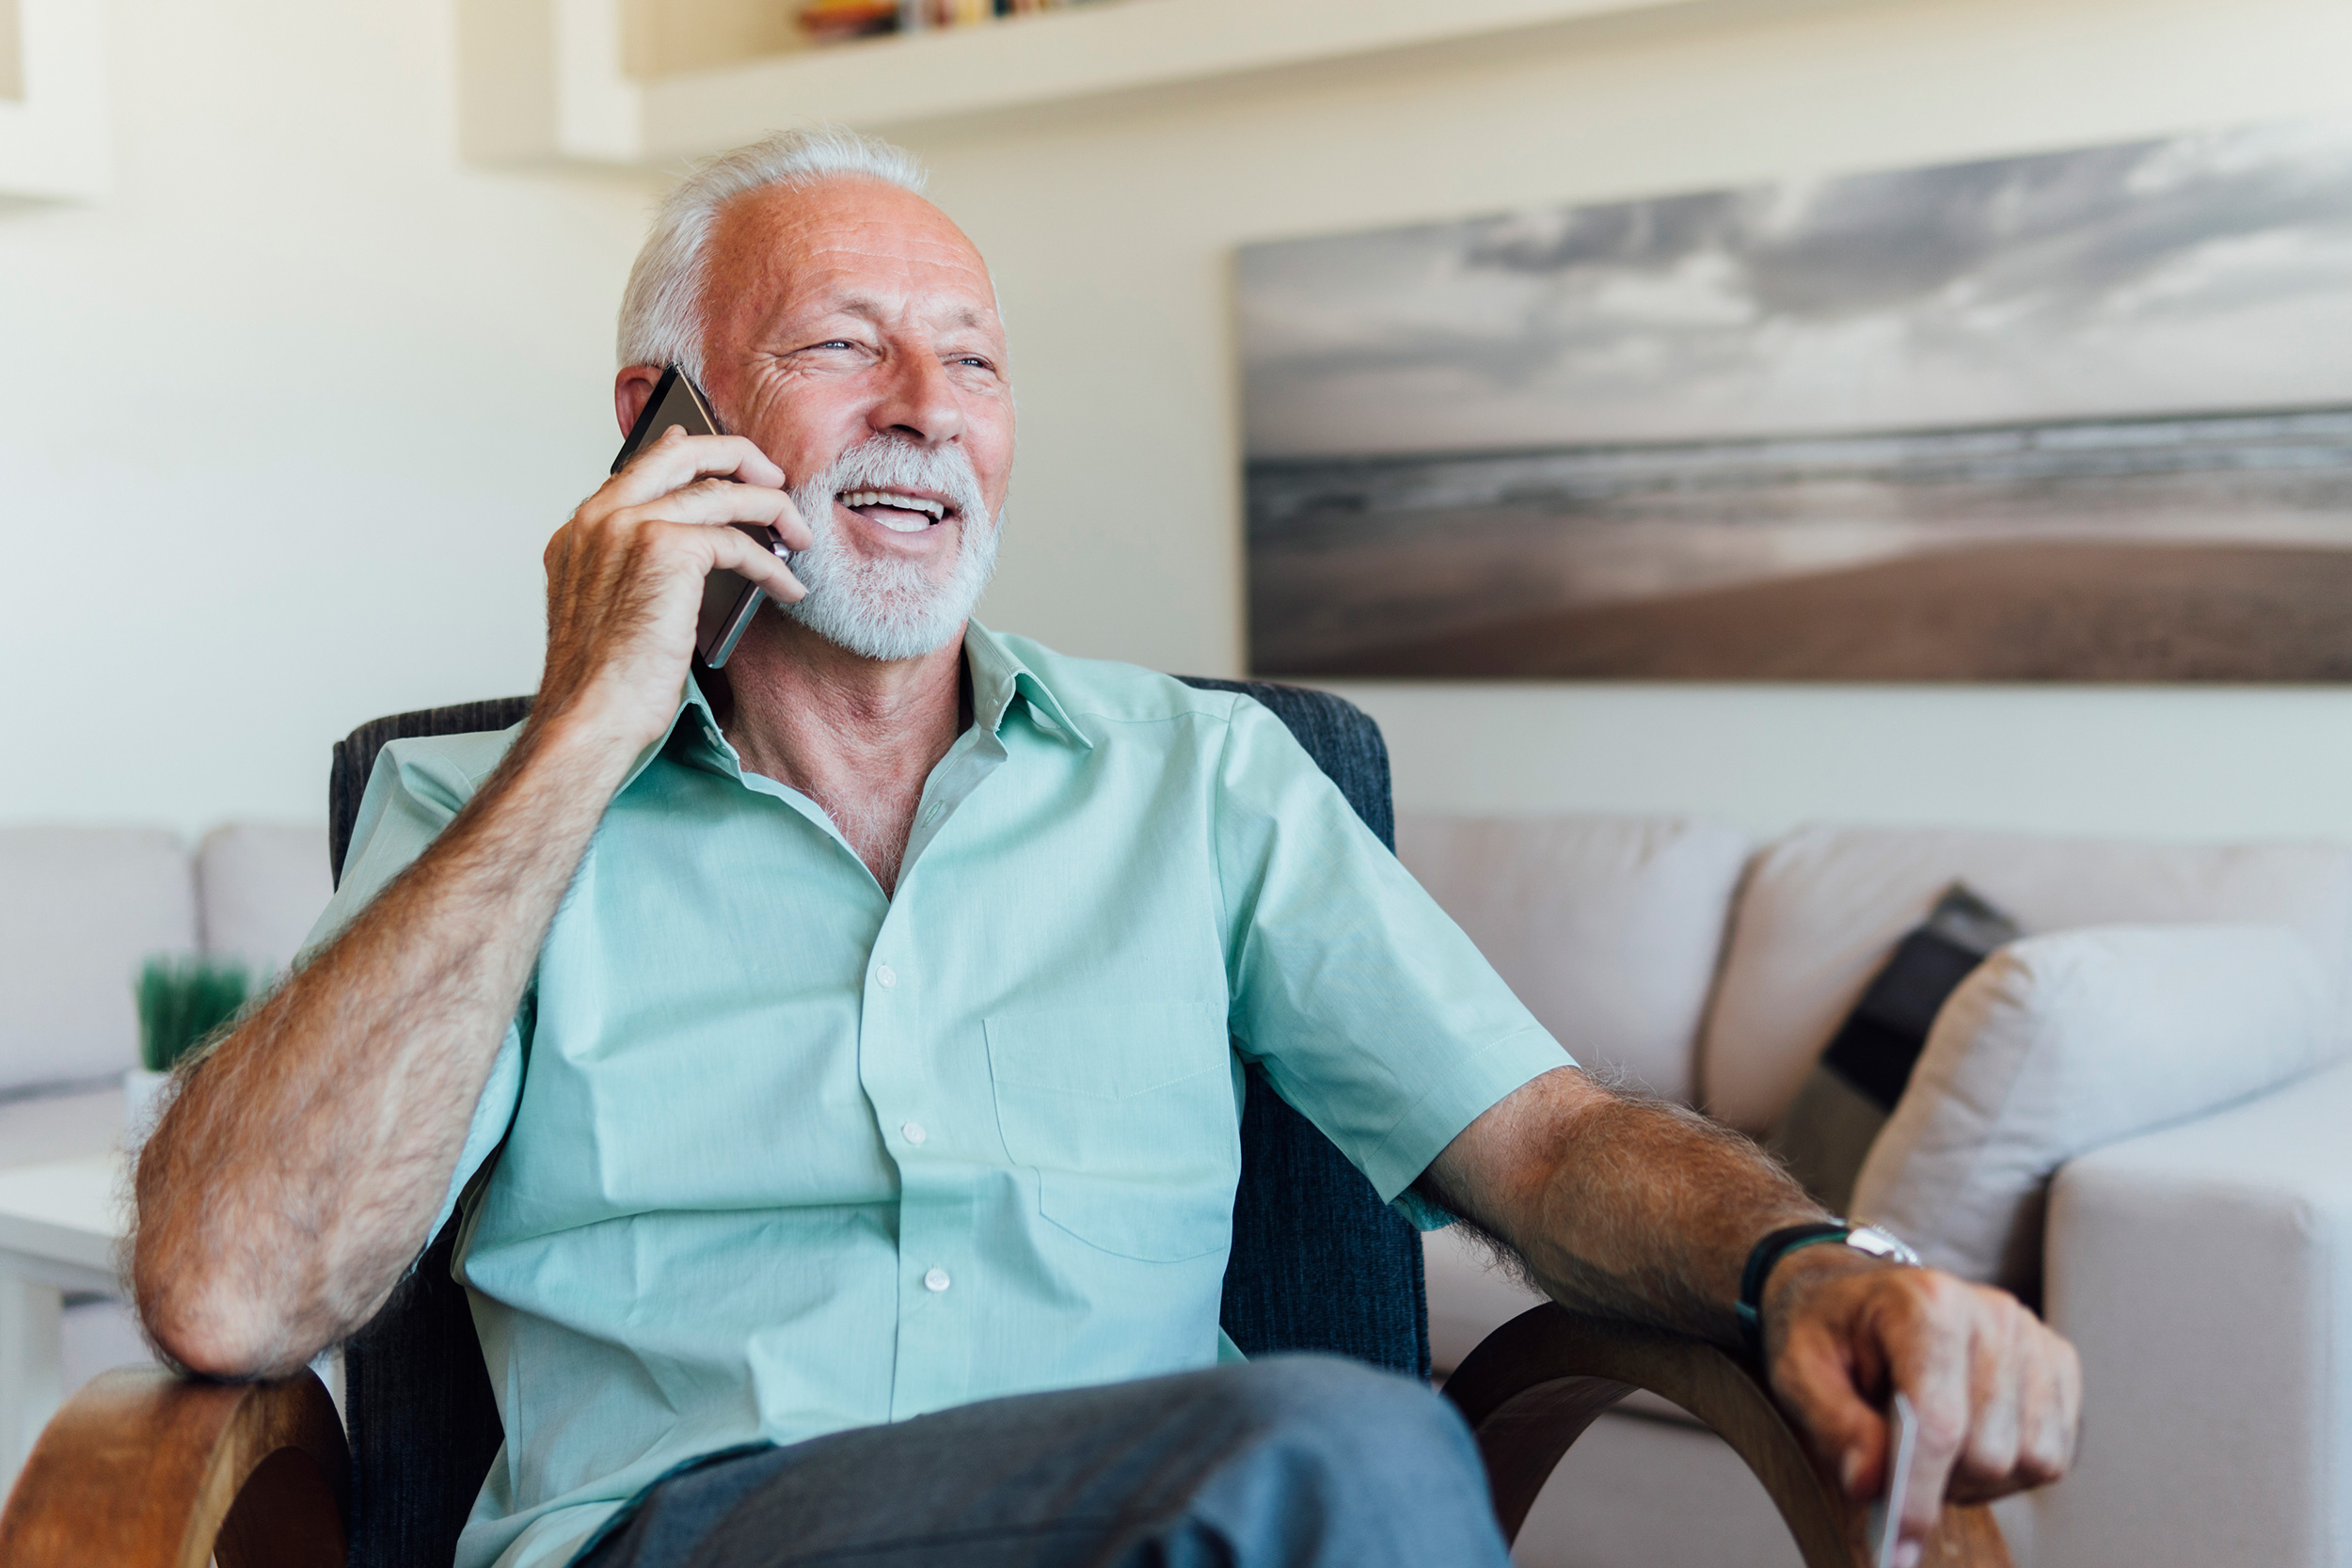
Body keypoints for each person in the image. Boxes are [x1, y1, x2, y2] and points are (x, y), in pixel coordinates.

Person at [131, 128, 2078, 1568]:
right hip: (702, 1540)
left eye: (972, 362)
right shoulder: (483, 816)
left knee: (1331, 1459)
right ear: (661, 426)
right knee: (1355, 1456)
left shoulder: (1200, 779)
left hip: (1171, 1530)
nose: (927, 414)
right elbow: (229, 1294)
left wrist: (1811, 1264)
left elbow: (1549, 1143)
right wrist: (581, 735)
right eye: (845, 348)